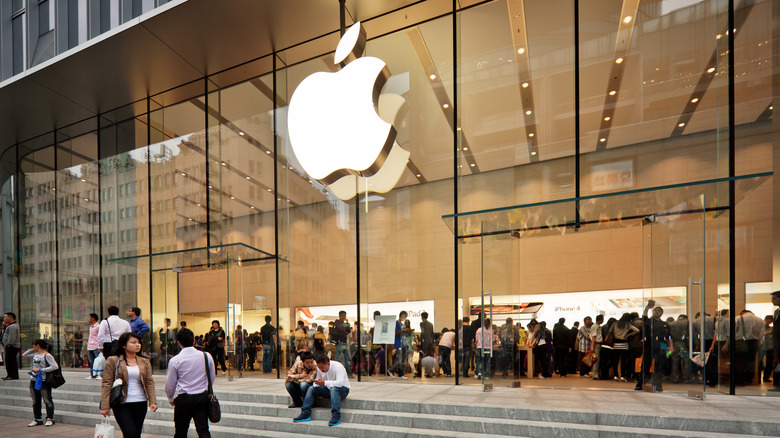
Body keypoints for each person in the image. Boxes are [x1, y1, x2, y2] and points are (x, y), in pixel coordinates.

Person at [100, 333, 157, 438]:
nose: (137, 345)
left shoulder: (144, 361)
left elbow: (149, 382)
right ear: (123, 345)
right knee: (130, 434)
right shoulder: (113, 360)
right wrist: (104, 406)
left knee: (136, 434)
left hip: (140, 402)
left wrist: (152, 401)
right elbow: (106, 383)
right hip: (121, 403)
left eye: (139, 342)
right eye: (133, 342)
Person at [165, 328, 216, 437]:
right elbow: (211, 378)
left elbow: (170, 384)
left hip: (184, 399)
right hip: (202, 397)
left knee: (180, 431)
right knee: (203, 430)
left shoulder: (175, 360)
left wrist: (170, 398)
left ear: (178, 343)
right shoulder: (206, 356)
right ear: (193, 341)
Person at [293, 355, 350, 426]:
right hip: (328, 389)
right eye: (319, 367)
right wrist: (317, 383)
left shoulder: (338, 367)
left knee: (334, 388)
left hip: (343, 390)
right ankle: (305, 413)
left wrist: (324, 382)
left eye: (322, 367)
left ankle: (336, 416)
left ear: (328, 364)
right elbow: (317, 383)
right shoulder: (319, 368)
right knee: (311, 388)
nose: (320, 369)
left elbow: (340, 383)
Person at [635, 300, 672, 392]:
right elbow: (644, 316)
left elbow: (669, 336)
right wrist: (647, 307)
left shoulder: (665, 324)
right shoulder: (648, 322)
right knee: (645, 365)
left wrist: (670, 346)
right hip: (649, 345)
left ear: (662, 313)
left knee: (659, 366)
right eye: (655, 310)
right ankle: (640, 384)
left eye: (659, 310)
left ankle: (658, 385)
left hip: (661, 345)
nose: (656, 311)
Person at [22, 339, 58, 427]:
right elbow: (24, 354)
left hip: (43, 380)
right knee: (35, 400)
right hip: (34, 379)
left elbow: (55, 366)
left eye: (34, 345)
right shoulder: (36, 354)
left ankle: (49, 418)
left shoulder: (47, 355)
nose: (33, 347)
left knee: (47, 400)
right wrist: (32, 349)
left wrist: (40, 370)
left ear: (38, 345)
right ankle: (37, 418)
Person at [611, 313, 639, 382]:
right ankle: (622, 376)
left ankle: (616, 375)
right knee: (623, 361)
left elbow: (610, 331)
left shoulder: (615, 323)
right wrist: (629, 334)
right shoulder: (628, 324)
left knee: (616, 360)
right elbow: (637, 330)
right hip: (624, 343)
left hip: (616, 343)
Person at [387, 311, 409, 379]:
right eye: (404, 316)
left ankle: (401, 374)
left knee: (404, 360)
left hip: (404, 343)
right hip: (399, 343)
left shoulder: (403, 324)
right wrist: (403, 331)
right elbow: (395, 333)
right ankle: (391, 370)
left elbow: (404, 334)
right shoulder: (396, 323)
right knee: (399, 360)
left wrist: (407, 331)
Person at [669, 314, 690, 383]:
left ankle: (675, 377)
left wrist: (670, 346)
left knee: (675, 362)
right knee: (686, 362)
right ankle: (686, 378)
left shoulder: (671, 323)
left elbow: (669, 336)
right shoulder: (687, 322)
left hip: (674, 344)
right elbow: (690, 334)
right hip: (684, 344)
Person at [331, 311, 352, 378]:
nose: (344, 317)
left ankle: (348, 372)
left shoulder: (344, 323)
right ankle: (335, 372)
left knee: (348, 358)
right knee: (337, 358)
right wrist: (345, 328)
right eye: (342, 315)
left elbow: (348, 331)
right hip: (339, 342)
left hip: (344, 343)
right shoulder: (337, 322)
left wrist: (347, 324)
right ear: (339, 316)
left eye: (345, 315)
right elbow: (340, 329)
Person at [2, 312, 21, 380]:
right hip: (10, 346)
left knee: (11, 361)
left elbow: (11, 337)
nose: (4, 319)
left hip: (11, 346)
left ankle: (12, 375)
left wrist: (9, 344)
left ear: (10, 317)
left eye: (5, 317)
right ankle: (10, 374)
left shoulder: (13, 326)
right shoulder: (10, 325)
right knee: (9, 361)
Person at [770, 291, 780, 391]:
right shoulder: (777, 312)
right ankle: (777, 384)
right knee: (776, 360)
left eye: (774, 298)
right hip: (777, 341)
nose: (772, 301)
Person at [87, 313, 101, 379]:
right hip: (90, 346)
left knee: (97, 361)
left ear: (93, 318)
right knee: (91, 361)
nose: (88, 319)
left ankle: (98, 374)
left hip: (96, 346)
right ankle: (92, 374)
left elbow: (100, 336)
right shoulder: (91, 327)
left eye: (89, 317)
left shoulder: (98, 326)